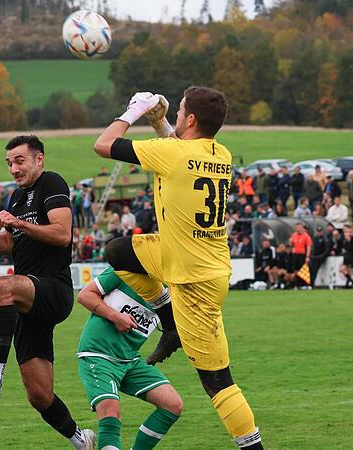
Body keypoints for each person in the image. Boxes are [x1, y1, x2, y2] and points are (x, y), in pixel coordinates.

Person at [93, 88, 264, 449]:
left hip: (194, 281)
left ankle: (252, 446)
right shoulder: (221, 153)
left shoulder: (172, 152)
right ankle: (169, 323)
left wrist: (134, 111)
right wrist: (160, 122)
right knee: (119, 251)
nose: (178, 112)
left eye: (181, 109)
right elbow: (177, 150)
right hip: (188, 257)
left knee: (218, 381)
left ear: (189, 120)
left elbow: (104, 144)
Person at [0, 135, 95, 449]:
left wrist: (19, 224)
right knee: (40, 395)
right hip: (28, 300)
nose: (14, 168)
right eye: (9, 163)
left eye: (20, 160)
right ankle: (82, 440)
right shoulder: (16, 197)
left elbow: (62, 234)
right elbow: (8, 244)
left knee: (2, 285)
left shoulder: (52, 183)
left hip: (53, 288)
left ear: (39, 159)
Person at [76, 266, 182, 449]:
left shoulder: (172, 289)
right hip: (98, 354)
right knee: (111, 413)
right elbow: (84, 295)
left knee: (172, 404)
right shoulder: (124, 269)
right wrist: (116, 316)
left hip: (129, 359)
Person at [289, 223, 312, 288]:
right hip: (295, 255)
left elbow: (308, 247)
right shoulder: (294, 235)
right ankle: (297, 284)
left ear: (302, 228)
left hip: (302, 254)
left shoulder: (306, 236)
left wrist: (307, 256)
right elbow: (291, 244)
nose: (298, 229)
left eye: (299, 227)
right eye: (297, 228)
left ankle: (305, 284)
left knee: (303, 270)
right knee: (295, 270)